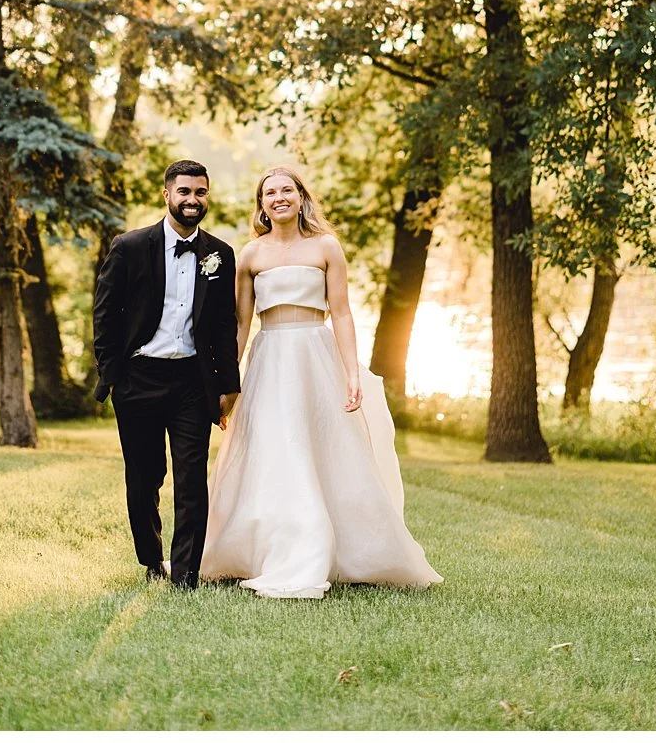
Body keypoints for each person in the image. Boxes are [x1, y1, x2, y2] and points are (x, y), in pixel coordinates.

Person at [200, 165, 441, 598]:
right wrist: (227, 381)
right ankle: (267, 550)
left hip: (316, 354)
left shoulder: (326, 247)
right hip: (270, 356)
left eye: (286, 190)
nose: (279, 198)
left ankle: (338, 550)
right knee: (273, 449)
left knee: (322, 447)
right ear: (262, 204)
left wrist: (352, 372)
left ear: (301, 197)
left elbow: (343, 313)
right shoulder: (250, 255)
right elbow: (241, 322)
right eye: (270, 192)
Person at [91, 159, 242, 590]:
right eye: (185, 192)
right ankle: (151, 558)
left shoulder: (219, 254)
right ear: (167, 195)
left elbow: (222, 327)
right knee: (144, 477)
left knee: (192, 477)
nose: (192, 200)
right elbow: (105, 315)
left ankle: (186, 574)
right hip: (138, 378)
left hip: (192, 383)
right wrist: (113, 373)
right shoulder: (130, 246)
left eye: (200, 193)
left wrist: (228, 384)